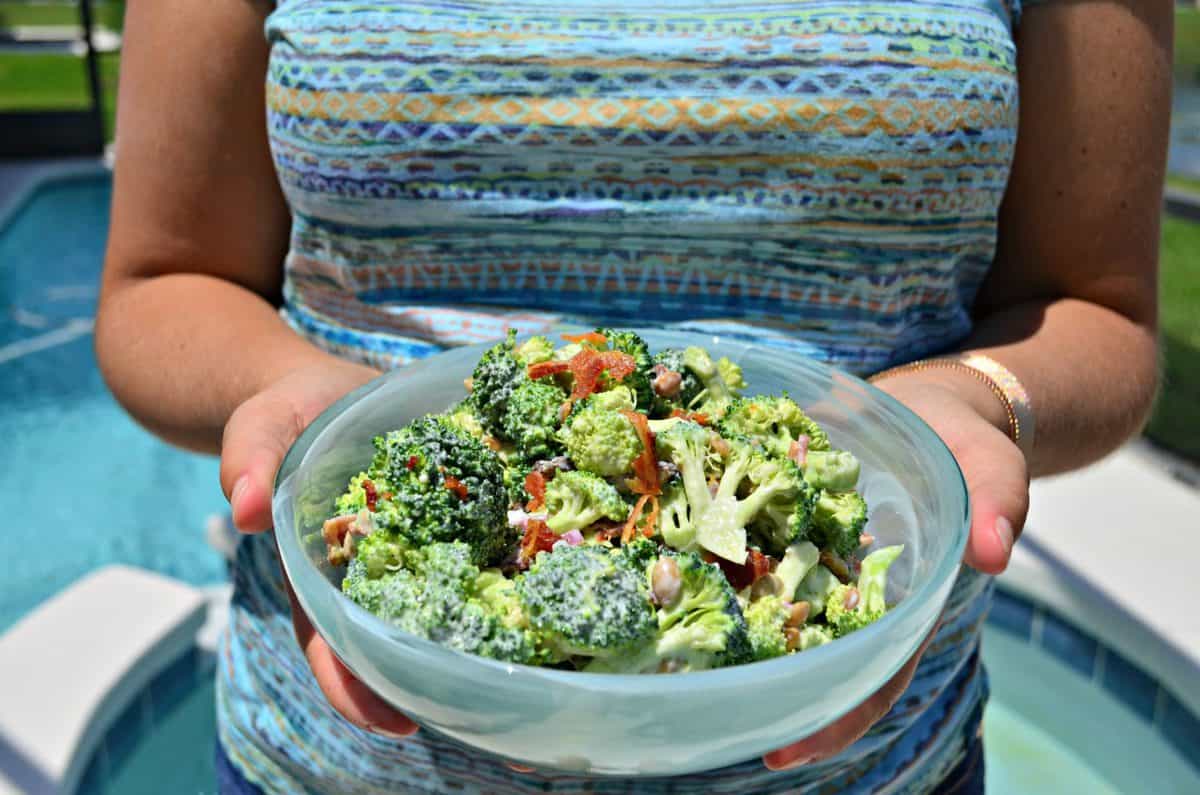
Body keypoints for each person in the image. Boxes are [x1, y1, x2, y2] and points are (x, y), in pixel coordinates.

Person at [95, 0, 1169, 791]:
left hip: (869, 760)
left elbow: (1096, 311)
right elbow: (162, 284)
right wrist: (306, 400)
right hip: (339, 761)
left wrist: (973, 398)